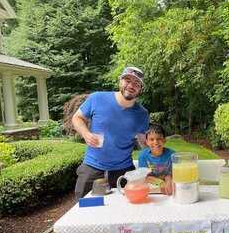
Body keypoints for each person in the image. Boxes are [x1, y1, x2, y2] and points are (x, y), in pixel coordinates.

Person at [72, 66, 149, 199]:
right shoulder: (97, 98)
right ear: (120, 81)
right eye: (127, 80)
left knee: (124, 213)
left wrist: (149, 145)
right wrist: (86, 134)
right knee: (85, 210)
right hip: (92, 167)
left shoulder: (142, 113)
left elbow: (142, 140)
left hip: (124, 171)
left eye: (137, 83)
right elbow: (77, 118)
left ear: (141, 89)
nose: (131, 85)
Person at [138, 124, 174, 195]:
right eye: (151, 139)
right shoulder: (143, 156)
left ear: (164, 140)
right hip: (151, 188)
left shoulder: (172, 155)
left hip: (169, 187)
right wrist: (161, 183)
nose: (155, 142)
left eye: (159, 139)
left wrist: (168, 182)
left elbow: (171, 174)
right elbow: (144, 177)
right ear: (147, 142)